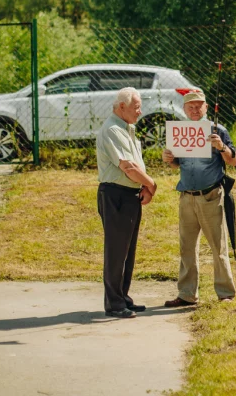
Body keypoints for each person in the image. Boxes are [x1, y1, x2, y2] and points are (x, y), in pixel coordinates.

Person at [162, 89, 236, 306]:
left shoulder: (217, 130)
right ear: (184, 109)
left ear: (206, 107)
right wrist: (168, 159)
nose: (195, 110)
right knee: (186, 246)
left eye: (199, 106)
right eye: (190, 107)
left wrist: (221, 147)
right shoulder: (179, 131)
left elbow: (234, 160)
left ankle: (225, 293)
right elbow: (179, 163)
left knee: (217, 246)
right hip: (186, 196)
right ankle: (187, 294)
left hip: (210, 195)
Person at [96, 87, 158, 318]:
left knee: (127, 251)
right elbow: (128, 167)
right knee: (116, 251)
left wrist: (144, 186)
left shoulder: (127, 128)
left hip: (130, 194)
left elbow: (135, 165)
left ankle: (123, 297)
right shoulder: (113, 129)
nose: (140, 112)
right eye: (136, 107)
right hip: (116, 195)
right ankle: (114, 303)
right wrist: (151, 184)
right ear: (122, 107)